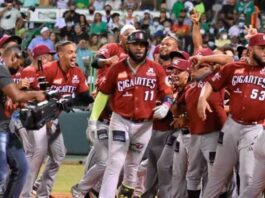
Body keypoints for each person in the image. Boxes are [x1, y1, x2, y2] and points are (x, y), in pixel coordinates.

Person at [87, 30, 173, 198]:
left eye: (143, 45)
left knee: (132, 167)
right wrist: (93, 119)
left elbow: (168, 93)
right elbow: (103, 94)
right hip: (120, 120)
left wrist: (166, 105)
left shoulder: (156, 69)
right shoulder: (116, 68)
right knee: (115, 163)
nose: (140, 48)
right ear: (128, 46)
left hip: (145, 125)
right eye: (136, 45)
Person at [71, 24, 136, 198]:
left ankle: (95, 190)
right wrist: (107, 61)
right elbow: (95, 60)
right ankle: (83, 189)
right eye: (128, 34)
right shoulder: (113, 47)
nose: (132, 38)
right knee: (104, 159)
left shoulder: (135, 58)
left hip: (119, 117)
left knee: (117, 162)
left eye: (134, 35)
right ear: (121, 37)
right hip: (102, 113)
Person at [197, 33, 265, 198]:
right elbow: (211, 83)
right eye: (261, 48)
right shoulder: (233, 68)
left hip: (255, 128)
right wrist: (202, 98)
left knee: (248, 177)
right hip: (231, 125)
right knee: (217, 175)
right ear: (250, 50)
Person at [23, 41, 94, 197]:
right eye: (69, 52)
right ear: (60, 54)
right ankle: (24, 194)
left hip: (53, 118)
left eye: (74, 51)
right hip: (37, 119)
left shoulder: (77, 72)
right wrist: (46, 114)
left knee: (59, 154)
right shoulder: (48, 69)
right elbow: (33, 93)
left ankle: (42, 193)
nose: (74, 55)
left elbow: (83, 97)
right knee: (38, 154)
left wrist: (91, 98)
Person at [0, 45, 45, 198]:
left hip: (5, 127)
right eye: (18, 64)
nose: (19, 68)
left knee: (22, 166)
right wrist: (35, 94)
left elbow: (10, 101)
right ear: (13, 57)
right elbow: (17, 96)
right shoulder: (1, 69)